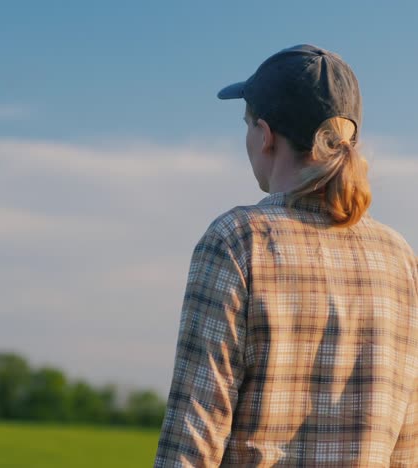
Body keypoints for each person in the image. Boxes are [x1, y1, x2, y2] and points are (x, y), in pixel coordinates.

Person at [154, 44, 417, 467]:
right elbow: (408, 446)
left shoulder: (237, 241)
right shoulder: (400, 258)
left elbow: (192, 437)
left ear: (264, 134)